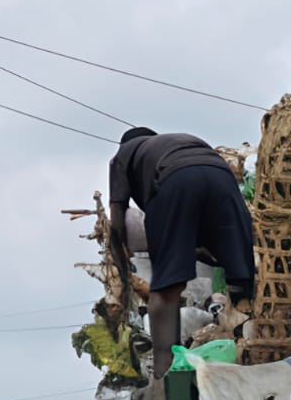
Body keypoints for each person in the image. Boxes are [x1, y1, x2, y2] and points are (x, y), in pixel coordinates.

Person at [109, 126, 255, 377]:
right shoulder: (175, 142)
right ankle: (258, 336)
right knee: (243, 271)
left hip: (175, 181)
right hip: (221, 176)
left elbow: (117, 220)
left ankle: (165, 371)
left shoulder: (124, 154)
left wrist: (120, 265)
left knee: (166, 288)